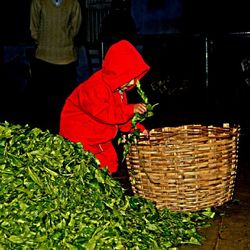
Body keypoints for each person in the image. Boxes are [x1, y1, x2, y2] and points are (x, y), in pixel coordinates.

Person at [59, 40, 150, 173]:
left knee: (111, 163)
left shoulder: (119, 91)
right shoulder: (95, 87)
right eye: (128, 77)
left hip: (99, 136)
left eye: (134, 78)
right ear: (117, 73)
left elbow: (121, 118)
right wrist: (130, 109)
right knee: (85, 168)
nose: (132, 82)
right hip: (80, 136)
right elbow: (106, 114)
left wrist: (137, 129)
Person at [29, 0, 82, 133]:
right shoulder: (39, 2)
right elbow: (33, 30)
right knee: (45, 103)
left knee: (61, 102)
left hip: (63, 59)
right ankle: (48, 133)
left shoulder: (73, 3)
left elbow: (34, 30)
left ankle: (61, 133)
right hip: (47, 58)